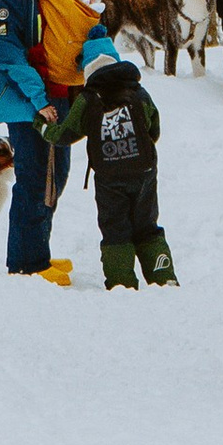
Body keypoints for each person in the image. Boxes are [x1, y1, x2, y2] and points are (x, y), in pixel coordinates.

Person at [0, 0, 87, 280]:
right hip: (26, 99)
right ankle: (25, 264)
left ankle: (39, 254)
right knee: (33, 178)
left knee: (55, 175)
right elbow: (8, 54)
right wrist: (40, 97)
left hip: (53, 94)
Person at [44, 29, 177, 288]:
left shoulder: (87, 99)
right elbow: (155, 128)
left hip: (109, 177)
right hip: (144, 171)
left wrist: (41, 126)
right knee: (148, 226)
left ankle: (121, 284)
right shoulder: (138, 92)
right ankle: (164, 278)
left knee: (116, 228)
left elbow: (63, 135)